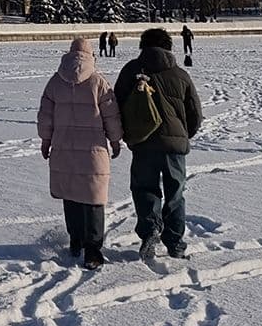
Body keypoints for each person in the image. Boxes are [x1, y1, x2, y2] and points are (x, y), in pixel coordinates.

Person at [115, 28, 203, 261]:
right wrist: (183, 135)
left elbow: (117, 105)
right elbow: (195, 113)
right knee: (175, 192)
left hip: (143, 142)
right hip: (174, 145)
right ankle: (174, 241)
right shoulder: (180, 74)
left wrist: (126, 133)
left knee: (144, 188)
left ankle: (150, 229)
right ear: (169, 47)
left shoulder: (130, 71)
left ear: (143, 46)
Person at [38, 37, 123, 269]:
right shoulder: (98, 82)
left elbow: (45, 115)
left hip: (63, 148)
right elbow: (111, 116)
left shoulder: (55, 82)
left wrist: (46, 141)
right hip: (93, 150)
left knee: (71, 194)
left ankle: (75, 241)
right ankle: (93, 249)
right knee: (94, 198)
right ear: (90, 55)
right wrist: (115, 141)